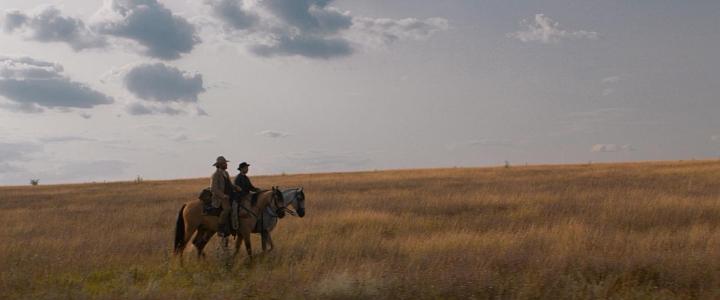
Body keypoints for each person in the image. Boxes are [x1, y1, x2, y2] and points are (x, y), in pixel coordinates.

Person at [210, 156, 241, 237]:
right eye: (224, 163)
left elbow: (229, 184)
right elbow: (214, 188)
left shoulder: (226, 173)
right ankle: (220, 229)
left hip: (229, 195)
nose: (226, 164)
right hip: (220, 198)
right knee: (227, 209)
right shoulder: (215, 175)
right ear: (220, 165)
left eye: (226, 163)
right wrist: (223, 195)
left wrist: (236, 187)